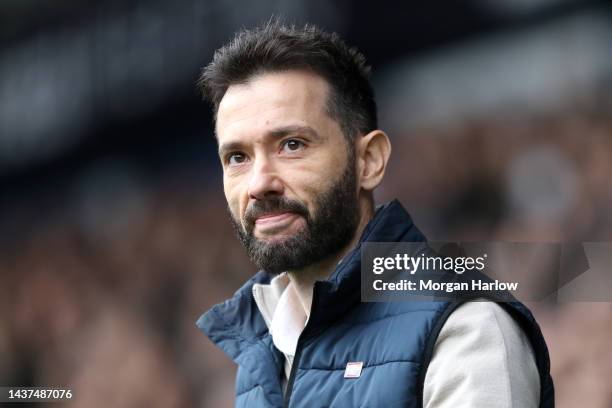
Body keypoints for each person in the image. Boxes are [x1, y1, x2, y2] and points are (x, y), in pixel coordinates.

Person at [195, 20, 554, 407]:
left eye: (292, 145)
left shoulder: (466, 328)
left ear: (369, 161)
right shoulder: (260, 356)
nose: (258, 183)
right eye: (237, 157)